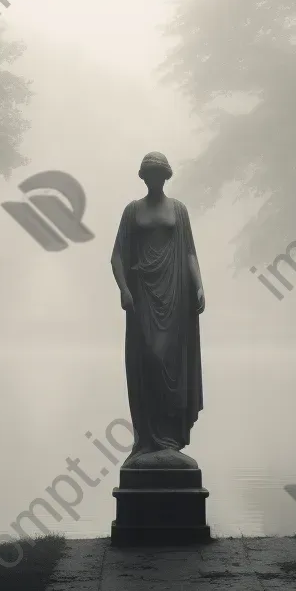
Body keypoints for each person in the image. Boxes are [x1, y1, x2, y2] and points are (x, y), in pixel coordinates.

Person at [110, 152, 204, 464]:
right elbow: (117, 256)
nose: (154, 178)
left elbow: (189, 252)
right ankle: (147, 439)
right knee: (147, 360)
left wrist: (199, 285)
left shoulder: (178, 209)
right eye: (149, 173)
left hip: (175, 295)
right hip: (141, 297)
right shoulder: (132, 211)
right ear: (143, 176)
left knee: (172, 362)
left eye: (159, 173)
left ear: (166, 176)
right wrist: (124, 290)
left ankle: (171, 438)